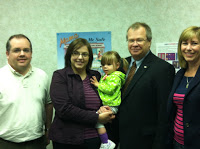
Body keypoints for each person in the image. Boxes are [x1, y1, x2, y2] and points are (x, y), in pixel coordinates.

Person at [49, 38, 114, 149]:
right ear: (69, 55)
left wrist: (104, 109)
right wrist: (96, 117)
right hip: (67, 141)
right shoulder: (60, 76)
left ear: (89, 58)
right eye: (76, 53)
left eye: (84, 54)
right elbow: (64, 109)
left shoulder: (96, 76)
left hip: (96, 139)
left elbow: (104, 98)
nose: (80, 57)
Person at [118, 22, 175, 149]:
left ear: (149, 41)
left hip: (146, 142)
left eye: (139, 40)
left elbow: (164, 113)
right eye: (131, 40)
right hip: (121, 138)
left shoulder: (163, 69)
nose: (135, 44)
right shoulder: (121, 64)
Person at [0, 34, 53, 149]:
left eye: (26, 50)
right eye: (16, 50)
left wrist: (48, 129)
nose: (22, 54)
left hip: (37, 142)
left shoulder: (42, 76)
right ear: (7, 54)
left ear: (31, 53)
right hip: (6, 143)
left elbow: (48, 104)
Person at [167, 26, 200, 149]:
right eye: (185, 43)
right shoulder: (179, 74)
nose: (188, 48)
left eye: (194, 43)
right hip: (176, 142)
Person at [91, 51, 127, 149]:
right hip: (109, 105)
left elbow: (110, 89)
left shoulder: (116, 77)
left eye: (109, 64)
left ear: (117, 65)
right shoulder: (108, 76)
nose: (105, 67)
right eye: (103, 65)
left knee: (96, 121)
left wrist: (98, 84)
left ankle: (106, 142)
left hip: (112, 106)